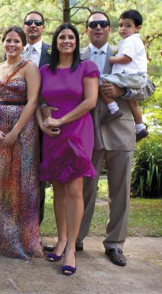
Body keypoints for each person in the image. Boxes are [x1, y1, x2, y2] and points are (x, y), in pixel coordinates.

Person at [76, 11, 155, 267]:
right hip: (86, 129)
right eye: (92, 24)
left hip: (120, 129)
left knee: (119, 191)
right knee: (83, 189)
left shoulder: (126, 51)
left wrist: (123, 90)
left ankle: (114, 244)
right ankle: (76, 239)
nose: (97, 28)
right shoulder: (77, 56)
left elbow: (148, 86)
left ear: (109, 29)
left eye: (103, 24)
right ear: (86, 30)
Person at [37, 23, 99, 276]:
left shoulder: (87, 67)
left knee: (74, 188)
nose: (66, 41)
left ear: (76, 41)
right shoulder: (44, 70)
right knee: (59, 189)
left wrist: (62, 120)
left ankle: (72, 248)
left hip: (78, 132)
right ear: (55, 42)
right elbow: (41, 102)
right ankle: (61, 240)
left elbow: (90, 101)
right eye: (61, 37)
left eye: (70, 37)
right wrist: (44, 122)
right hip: (53, 133)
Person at [0, 26, 43, 259]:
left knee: (20, 182)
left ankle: (21, 239)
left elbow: (33, 101)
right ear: (2, 43)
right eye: (8, 40)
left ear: (23, 44)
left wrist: (16, 131)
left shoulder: (30, 68)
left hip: (23, 131)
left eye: (16, 41)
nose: (11, 45)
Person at [98, 10, 149, 141]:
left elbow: (126, 58)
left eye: (128, 26)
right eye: (121, 25)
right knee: (133, 103)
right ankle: (140, 127)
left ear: (138, 28)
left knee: (100, 79)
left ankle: (113, 108)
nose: (123, 29)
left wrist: (113, 59)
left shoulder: (130, 41)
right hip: (137, 77)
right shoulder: (134, 41)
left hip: (131, 77)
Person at [22, 11, 51, 233]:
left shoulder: (53, 52)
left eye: (37, 23)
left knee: (37, 176)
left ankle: (35, 228)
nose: (33, 25)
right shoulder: (13, 50)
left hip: (43, 120)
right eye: (29, 22)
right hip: (15, 121)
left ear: (43, 27)